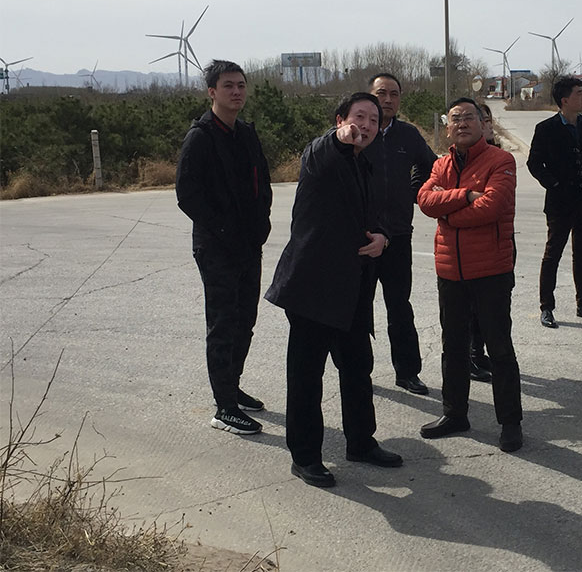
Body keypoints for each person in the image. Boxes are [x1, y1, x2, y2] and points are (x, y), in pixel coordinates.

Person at [265, 93, 403, 488]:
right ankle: (305, 456)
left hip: (353, 287)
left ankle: (361, 442)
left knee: (358, 367)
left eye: (374, 120)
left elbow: (377, 215)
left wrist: (382, 237)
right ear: (340, 119)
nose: (366, 125)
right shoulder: (320, 155)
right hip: (313, 288)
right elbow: (323, 149)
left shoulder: (367, 164)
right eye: (359, 117)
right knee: (306, 376)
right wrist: (337, 137)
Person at [417, 97, 524, 453]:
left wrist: (447, 211)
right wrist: (464, 195)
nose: (462, 123)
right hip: (450, 271)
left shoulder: (501, 161)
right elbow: (424, 200)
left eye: (468, 117)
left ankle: (510, 422)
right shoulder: (441, 164)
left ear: (482, 123)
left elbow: (491, 207)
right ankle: (454, 413)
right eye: (455, 118)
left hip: (491, 270)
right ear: (447, 127)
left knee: (499, 347)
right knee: (453, 346)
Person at [175, 59, 272, 435]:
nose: (236, 92)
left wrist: (262, 223)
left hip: (249, 245)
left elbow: (263, 183)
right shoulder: (200, 137)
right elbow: (187, 194)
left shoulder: (246, 133)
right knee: (223, 323)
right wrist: (222, 230)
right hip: (216, 248)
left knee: (245, 320)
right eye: (229, 86)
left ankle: (232, 387)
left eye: (241, 85)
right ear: (212, 92)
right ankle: (224, 408)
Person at [364, 73, 437, 396]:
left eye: (394, 94)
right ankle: (358, 371)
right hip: (362, 239)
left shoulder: (407, 135)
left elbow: (431, 166)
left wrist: (415, 189)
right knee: (358, 309)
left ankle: (407, 372)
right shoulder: (358, 133)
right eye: (382, 93)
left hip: (398, 236)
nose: (388, 100)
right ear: (370, 96)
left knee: (399, 307)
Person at [527, 77, 582, 329]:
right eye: (579, 93)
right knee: (553, 253)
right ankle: (547, 307)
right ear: (564, 100)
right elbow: (534, 163)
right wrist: (553, 184)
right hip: (560, 203)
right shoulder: (546, 128)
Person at [467, 102, 502, 383]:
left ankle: (480, 353)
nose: (487, 125)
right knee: (472, 308)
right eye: (483, 120)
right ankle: (472, 355)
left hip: (499, 243)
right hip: (471, 247)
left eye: (489, 120)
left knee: (493, 308)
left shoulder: (500, 158)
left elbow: (495, 202)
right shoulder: (464, 157)